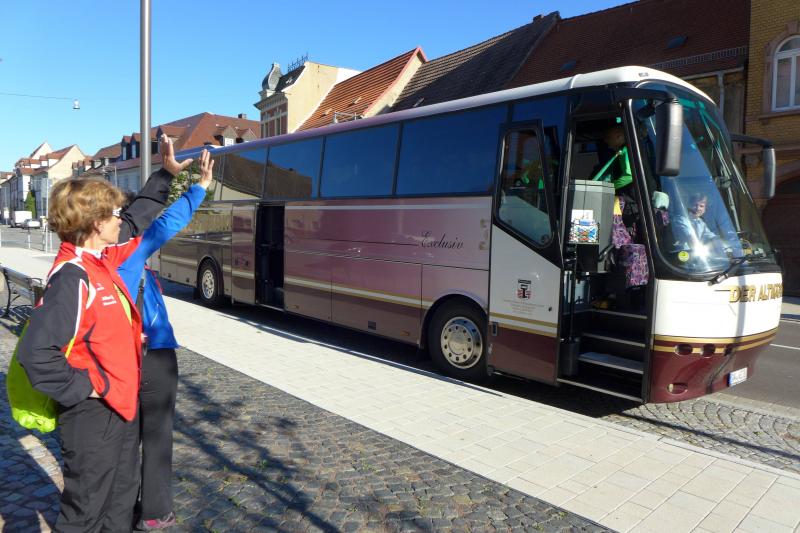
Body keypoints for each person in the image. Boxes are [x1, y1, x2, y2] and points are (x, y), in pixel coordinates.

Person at [16, 135, 192, 532]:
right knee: (86, 514)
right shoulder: (73, 277)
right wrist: (91, 388)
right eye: (113, 214)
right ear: (97, 224)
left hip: (121, 410)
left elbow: (137, 221)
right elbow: (36, 354)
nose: (119, 220)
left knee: (121, 502)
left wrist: (165, 175)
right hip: (94, 418)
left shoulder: (101, 260)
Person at [117, 150, 214, 530]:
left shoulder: (86, 258)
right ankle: (156, 513)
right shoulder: (128, 250)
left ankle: (123, 511)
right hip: (152, 353)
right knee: (156, 437)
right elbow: (168, 222)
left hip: (117, 359)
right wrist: (199, 187)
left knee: (125, 440)